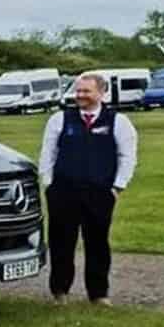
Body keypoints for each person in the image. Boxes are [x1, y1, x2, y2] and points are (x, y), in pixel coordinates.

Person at [39, 72, 139, 305]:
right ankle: (59, 292)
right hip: (63, 191)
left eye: (86, 91)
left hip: (100, 193)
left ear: (101, 93)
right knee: (61, 242)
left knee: (97, 243)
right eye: (78, 90)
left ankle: (98, 294)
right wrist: (49, 183)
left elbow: (127, 156)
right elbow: (48, 153)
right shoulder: (60, 119)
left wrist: (117, 187)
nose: (80, 95)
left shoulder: (118, 121)